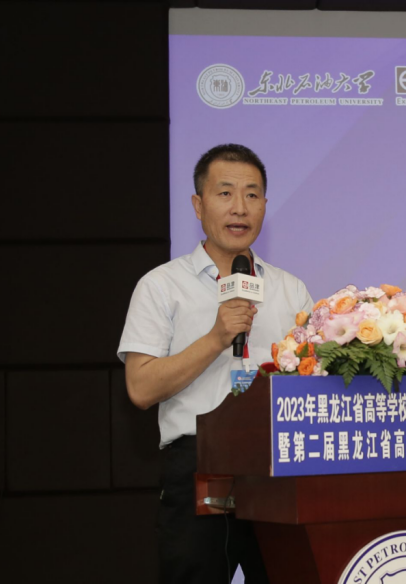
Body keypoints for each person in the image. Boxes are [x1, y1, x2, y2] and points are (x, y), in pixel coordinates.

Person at [117, 144, 313, 583]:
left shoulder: (291, 291)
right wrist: (215, 339)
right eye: (225, 193)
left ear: (265, 205)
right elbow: (140, 389)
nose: (240, 207)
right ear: (198, 204)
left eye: (252, 194)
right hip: (198, 465)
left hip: (279, 467)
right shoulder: (161, 286)